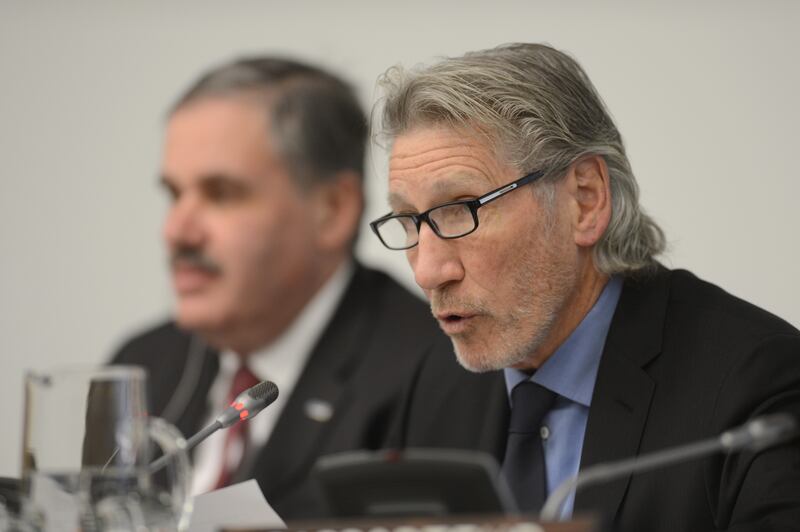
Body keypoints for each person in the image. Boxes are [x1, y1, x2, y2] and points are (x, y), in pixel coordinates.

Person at [370, 43, 800, 531]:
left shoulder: (755, 385)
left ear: (585, 200)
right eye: (409, 220)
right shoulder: (435, 384)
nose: (428, 271)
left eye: (461, 210)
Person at [112, 56, 447, 519]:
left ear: (333, 208)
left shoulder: (428, 374)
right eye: (174, 194)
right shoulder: (142, 365)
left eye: (221, 193)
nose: (177, 231)